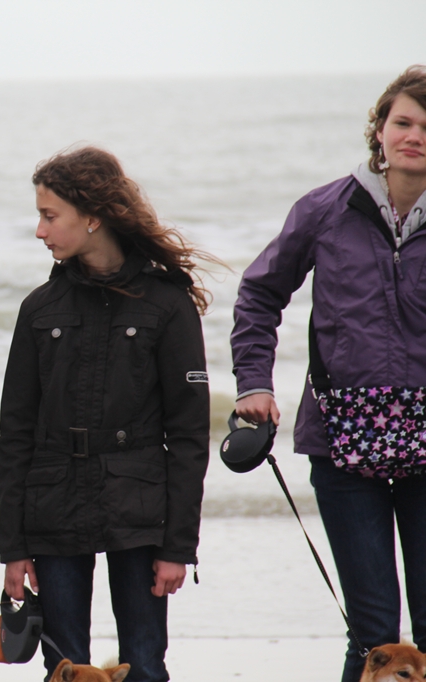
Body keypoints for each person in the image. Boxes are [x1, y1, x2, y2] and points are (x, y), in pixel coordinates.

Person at [232, 65, 426, 682]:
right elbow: (260, 296)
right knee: (371, 633)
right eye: (404, 121)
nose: (414, 136)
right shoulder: (325, 209)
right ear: (380, 128)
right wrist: (255, 385)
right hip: (343, 449)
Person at [0, 147, 210, 682]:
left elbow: (188, 435)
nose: (40, 231)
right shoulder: (38, 309)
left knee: (144, 666)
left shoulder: (167, 304)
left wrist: (178, 546)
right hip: (52, 509)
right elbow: (16, 433)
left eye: (50, 216)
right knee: (65, 670)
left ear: (92, 217)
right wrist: (14, 548)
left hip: (140, 513)